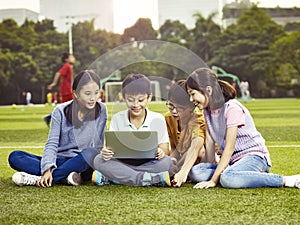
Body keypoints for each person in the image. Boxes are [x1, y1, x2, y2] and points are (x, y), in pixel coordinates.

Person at [186, 67, 300, 189]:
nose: (191, 99)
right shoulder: (207, 111)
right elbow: (209, 142)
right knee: (196, 172)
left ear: (208, 90)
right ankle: (242, 175)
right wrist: (210, 165)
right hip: (232, 162)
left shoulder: (231, 108)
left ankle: (287, 180)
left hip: (254, 157)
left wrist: (213, 181)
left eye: (193, 94)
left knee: (228, 179)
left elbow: (229, 148)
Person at [8, 70, 107, 187]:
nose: (93, 98)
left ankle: (40, 179)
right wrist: (47, 169)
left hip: (82, 163)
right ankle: (64, 177)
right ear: (76, 94)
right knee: (15, 156)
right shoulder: (60, 111)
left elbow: (98, 145)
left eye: (96, 93)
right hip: (59, 160)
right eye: (88, 93)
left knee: (91, 153)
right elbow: (52, 142)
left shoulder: (101, 109)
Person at [90, 73, 172, 187]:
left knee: (167, 162)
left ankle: (116, 178)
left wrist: (161, 152)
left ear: (149, 97)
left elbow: (165, 149)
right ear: (124, 98)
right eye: (130, 100)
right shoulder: (117, 118)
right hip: (122, 162)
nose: (136, 104)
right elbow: (110, 148)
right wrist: (106, 152)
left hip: (148, 162)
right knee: (98, 160)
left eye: (141, 100)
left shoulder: (158, 118)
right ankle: (145, 179)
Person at [165, 80, 208, 187]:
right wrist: (172, 161)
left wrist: (180, 168)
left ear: (192, 107)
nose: (174, 111)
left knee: (199, 156)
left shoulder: (199, 121)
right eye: (170, 106)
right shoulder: (169, 118)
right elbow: (174, 149)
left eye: (179, 108)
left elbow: (196, 149)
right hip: (183, 159)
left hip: (202, 160)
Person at [44, 52, 75, 126]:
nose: (73, 58)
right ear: (66, 59)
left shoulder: (68, 66)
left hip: (67, 89)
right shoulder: (67, 66)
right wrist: (54, 83)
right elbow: (58, 73)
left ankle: (50, 117)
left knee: (66, 107)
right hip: (66, 90)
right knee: (69, 106)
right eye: (71, 57)